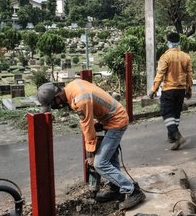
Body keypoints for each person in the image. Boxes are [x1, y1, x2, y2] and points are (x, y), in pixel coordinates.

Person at [37, 80, 145, 210]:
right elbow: (88, 121)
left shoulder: (79, 100)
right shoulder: (72, 86)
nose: (56, 107)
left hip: (116, 121)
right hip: (109, 119)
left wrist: (91, 155)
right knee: (110, 158)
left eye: (54, 104)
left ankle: (133, 191)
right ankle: (116, 188)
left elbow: (87, 127)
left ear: (57, 97)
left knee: (100, 163)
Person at [149, 32, 193, 150]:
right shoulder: (186, 56)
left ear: (168, 42)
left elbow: (160, 74)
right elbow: (189, 74)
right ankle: (171, 136)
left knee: (166, 112)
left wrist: (153, 89)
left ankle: (178, 136)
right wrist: (189, 89)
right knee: (176, 113)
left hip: (169, 88)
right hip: (181, 89)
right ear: (178, 42)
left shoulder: (165, 57)